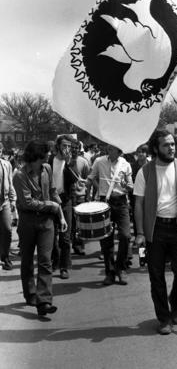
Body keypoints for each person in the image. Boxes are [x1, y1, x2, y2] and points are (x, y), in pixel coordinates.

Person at [134, 129, 177, 335]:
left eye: (172, 144)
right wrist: (140, 233)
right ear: (156, 148)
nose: (171, 148)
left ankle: (176, 304)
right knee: (156, 277)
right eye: (166, 145)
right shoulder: (145, 171)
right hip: (155, 229)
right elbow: (139, 204)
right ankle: (164, 318)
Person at [13, 140, 67, 316]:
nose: (47, 158)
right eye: (44, 155)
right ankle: (30, 294)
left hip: (47, 222)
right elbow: (27, 202)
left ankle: (44, 301)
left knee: (45, 259)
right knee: (27, 260)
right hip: (27, 221)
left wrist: (61, 214)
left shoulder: (47, 169)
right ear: (35, 157)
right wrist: (50, 205)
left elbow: (53, 191)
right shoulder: (19, 176)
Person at [88, 144, 133, 285]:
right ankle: (110, 272)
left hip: (121, 202)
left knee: (125, 236)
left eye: (112, 148)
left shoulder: (126, 164)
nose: (109, 149)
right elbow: (91, 177)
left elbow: (131, 185)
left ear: (119, 151)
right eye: (109, 147)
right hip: (104, 202)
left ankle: (121, 268)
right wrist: (88, 187)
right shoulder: (99, 161)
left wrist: (127, 186)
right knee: (106, 239)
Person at [49, 135, 78, 279]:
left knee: (65, 237)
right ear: (58, 146)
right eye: (64, 145)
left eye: (69, 146)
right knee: (52, 235)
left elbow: (75, 180)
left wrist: (68, 163)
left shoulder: (71, 162)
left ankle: (64, 266)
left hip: (65, 201)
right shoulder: (49, 161)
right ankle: (56, 260)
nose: (66, 149)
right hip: (51, 202)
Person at [69, 139, 90, 255]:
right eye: (72, 147)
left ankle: (79, 245)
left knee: (80, 223)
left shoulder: (84, 162)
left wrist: (87, 196)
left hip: (80, 196)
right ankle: (68, 245)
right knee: (70, 222)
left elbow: (87, 180)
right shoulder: (65, 162)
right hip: (68, 196)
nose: (74, 150)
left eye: (76, 148)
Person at [0, 142, 17, 270]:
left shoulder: (6, 164)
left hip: (4, 202)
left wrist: (13, 200)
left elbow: (10, 183)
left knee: (7, 230)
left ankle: (5, 257)